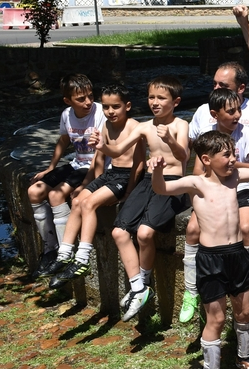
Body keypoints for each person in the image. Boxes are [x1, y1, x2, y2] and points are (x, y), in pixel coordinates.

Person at [149, 131, 249, 369]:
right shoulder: (196, 183)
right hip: (211, 259)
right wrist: (156, 171)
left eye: (233, 153)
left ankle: (244, 357)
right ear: (206, 159)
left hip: (237, 254)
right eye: (227, 155)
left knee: (244, 311)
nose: (233, 159)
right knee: (217, 317)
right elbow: (161, 188)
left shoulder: (234, 178)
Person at [182, 61, 249, 323]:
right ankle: (191, 290)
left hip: (244, 186)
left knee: (247, 227)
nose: (237, 116)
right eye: (231, 112)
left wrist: (229, 165)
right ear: (216, 115)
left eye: (238, 110)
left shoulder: (246, 132)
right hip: (214, 191)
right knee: (192, 229)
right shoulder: (207, 136)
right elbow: (196, 173)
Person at [91, 76, 191, 322]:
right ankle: (139, 288)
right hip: (148, 182)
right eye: (151, 97)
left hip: (172, 184)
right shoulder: (144, 127)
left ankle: (142, 284)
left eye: (161, 98)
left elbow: (184, 155)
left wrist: (168, 138)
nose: (155, 103)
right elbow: (118, 150)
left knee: (145, 233)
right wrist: (102, 146)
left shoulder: (180, 125)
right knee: (119, 232)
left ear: (175, 101)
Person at [45, 84, 145, 288]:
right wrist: (88, 184)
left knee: (89, 204)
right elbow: (99, 159)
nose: (110, 111)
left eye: (115, 107)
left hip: (125, 177)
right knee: (77, 201)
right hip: (110, 174)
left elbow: (139, 163)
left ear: (127, 106)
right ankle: (65, 253)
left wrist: (128, 191)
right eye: (106, 107)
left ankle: (82, 258)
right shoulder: (106, 126)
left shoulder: (135, 127)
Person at [29, 74, 105, 278]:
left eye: (90, 96)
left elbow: (100, 153)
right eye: (81, 99)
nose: (88, 102)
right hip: (76, 163)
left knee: (55, 195)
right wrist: (50, 167)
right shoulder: (66, 114)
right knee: (34, 191)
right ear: (68, 100)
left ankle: (66, 253)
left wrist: (88, 181)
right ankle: (50, 249)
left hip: (93, 166)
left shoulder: (100, 113)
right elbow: (64, 141)